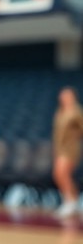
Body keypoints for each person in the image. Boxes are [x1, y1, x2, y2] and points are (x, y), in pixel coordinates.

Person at [51, 87, 83, 218]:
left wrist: (75, 136)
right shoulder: (60, 111)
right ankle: (74, 201)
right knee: (62, 175)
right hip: (60, 148)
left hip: (70, 148)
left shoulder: (77, 112)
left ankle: (69, 202)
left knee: (61, 173)